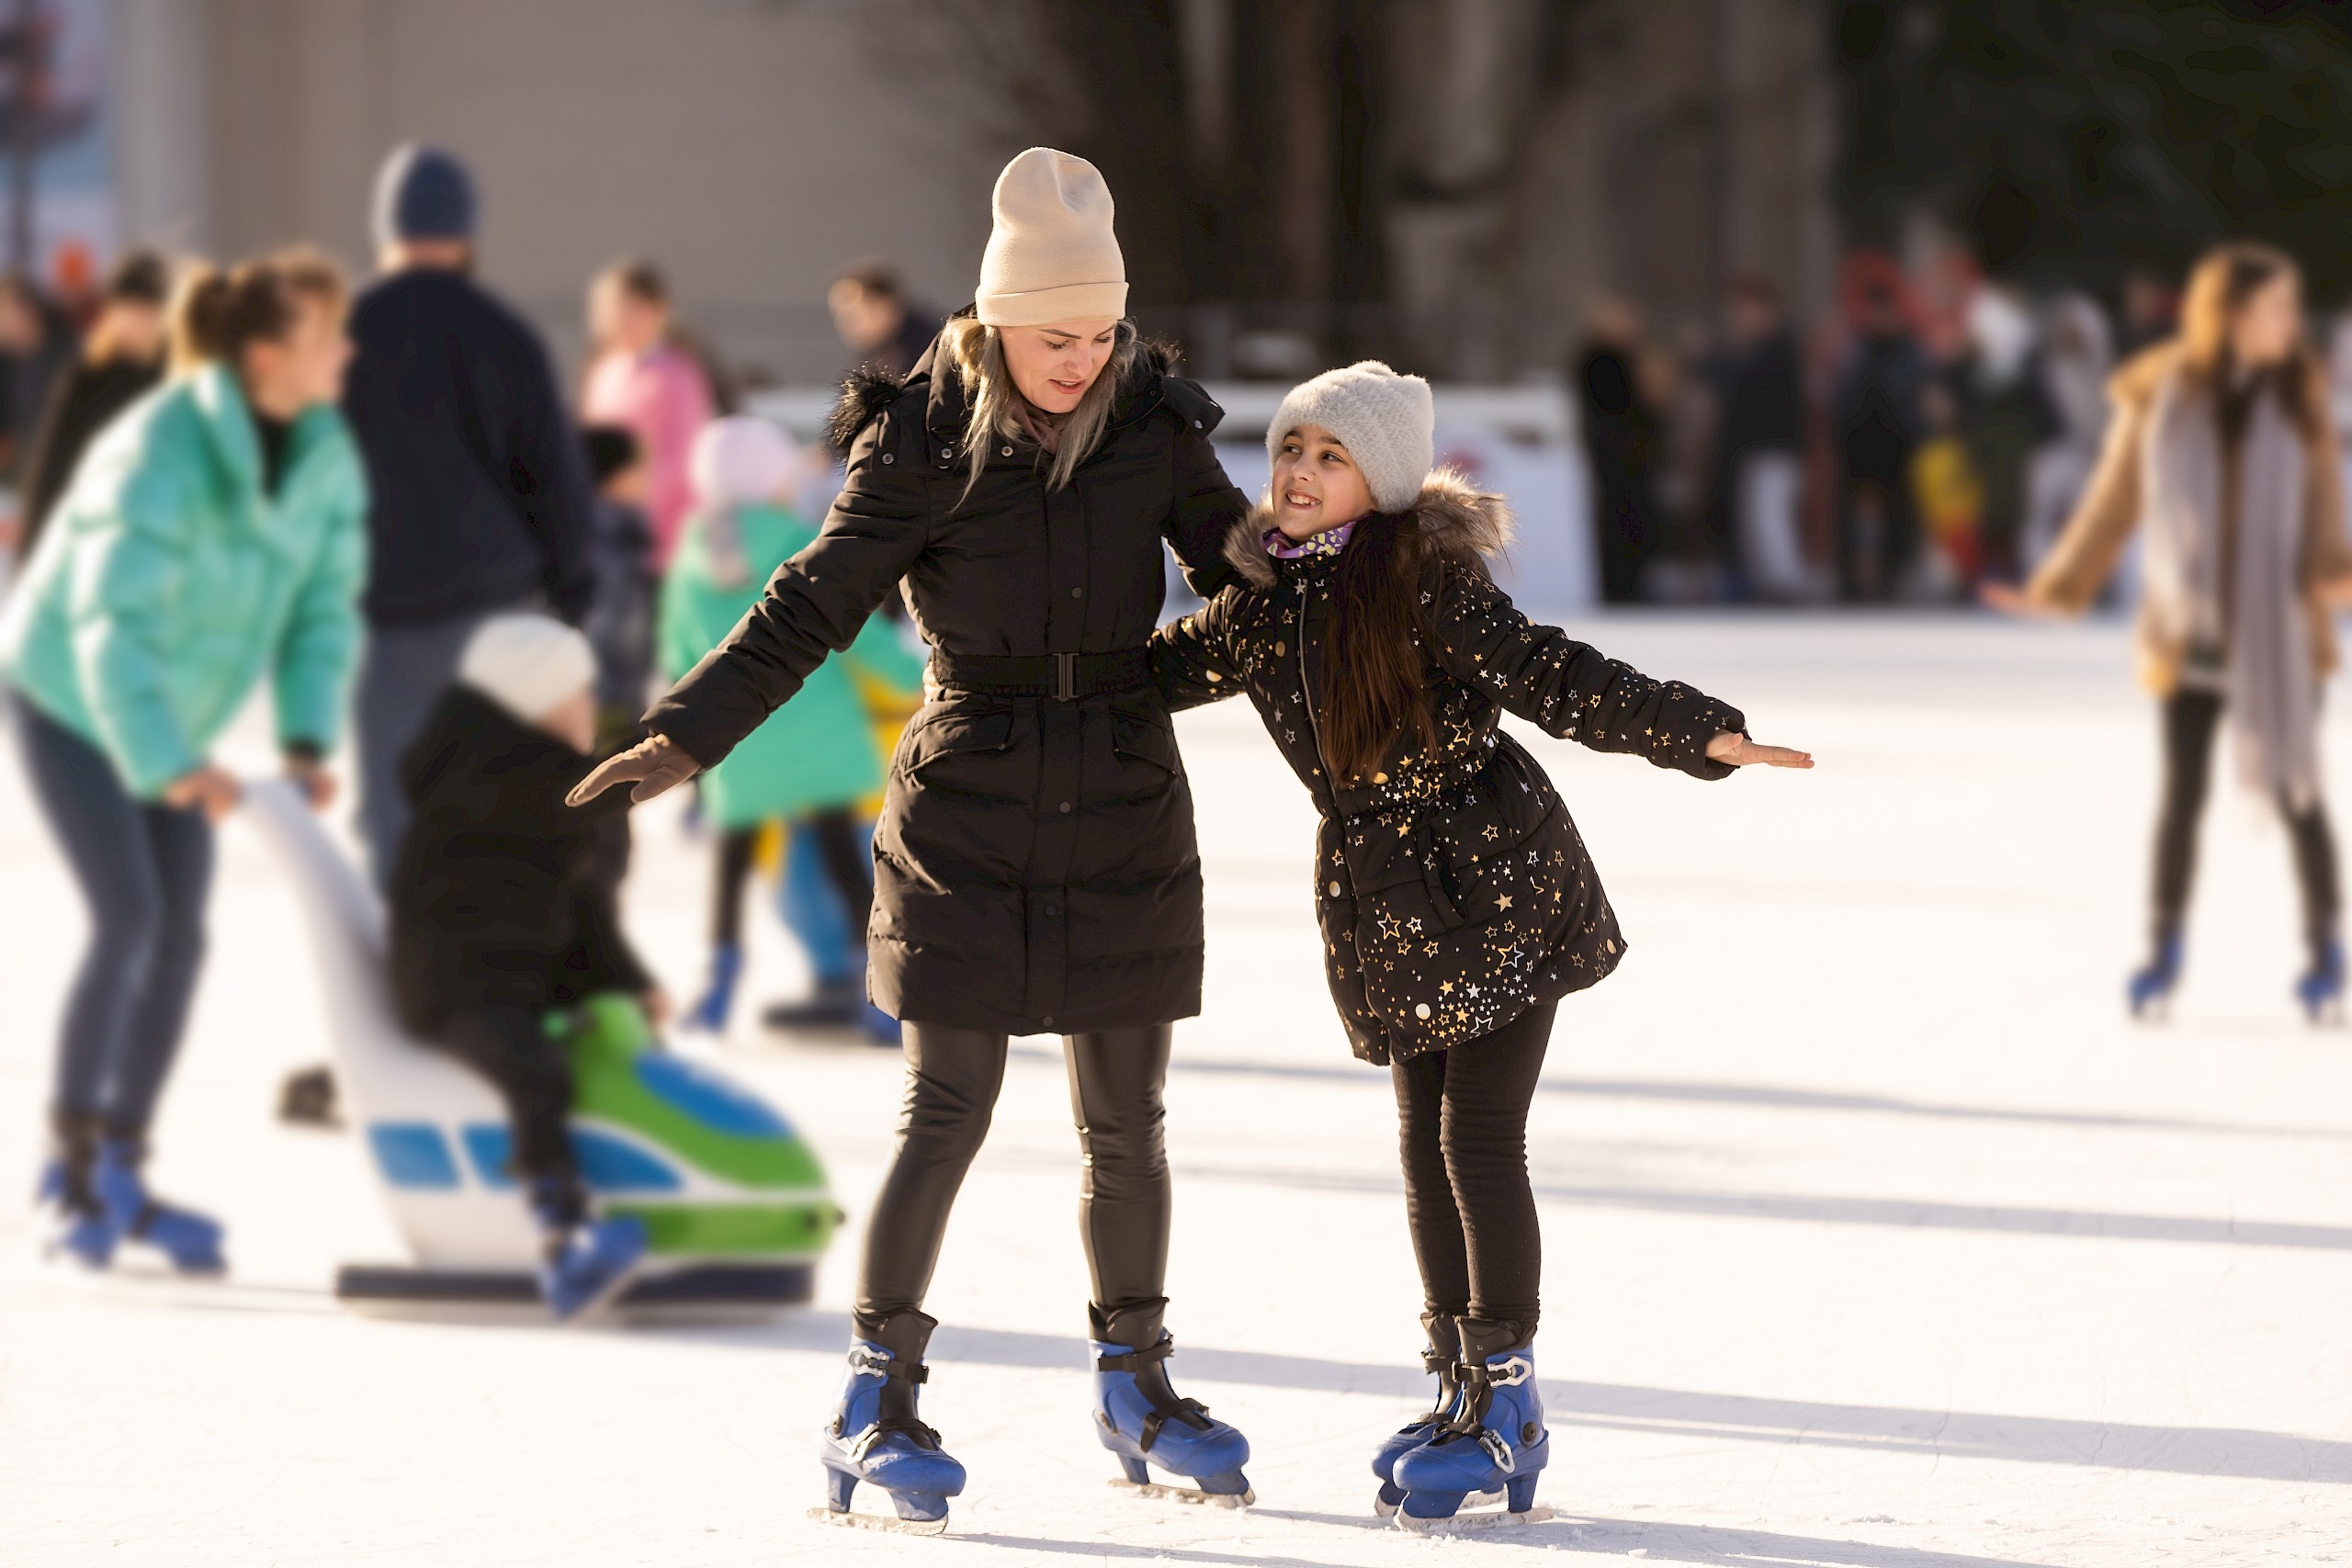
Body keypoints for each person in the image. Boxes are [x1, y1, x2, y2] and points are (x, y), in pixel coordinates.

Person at [571, 147, 1254, 1528]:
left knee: (1127, 1122)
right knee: (946, 1106)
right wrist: (685, 732)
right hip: (968, 803)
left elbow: (1245, 568)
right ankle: (873, 1397)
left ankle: (1138, 1380)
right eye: (1058, 335)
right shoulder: (924, 437)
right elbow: (808, 604)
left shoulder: (1152, 424)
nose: (1085, 358)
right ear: (997, 319)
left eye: (1105, 332)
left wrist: (1329, 587)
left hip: (1122, 796)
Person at [1147, 361, 1811, 1527]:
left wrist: (1698, 733)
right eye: (1290, 449)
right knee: (1421, 1147)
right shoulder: (1260, 601)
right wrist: (1007, 675)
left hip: (1492, 877)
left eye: (1328, 456)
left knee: (1477, 1139)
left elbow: (1554, 675)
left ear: (1383, 479)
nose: (1297, 473)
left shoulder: (1423, 583)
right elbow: (1143, 678)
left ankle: (1509, 1401)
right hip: (1385, 903)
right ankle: (1457, 1387)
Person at [1, 249, 366, 1273]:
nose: (346, 349)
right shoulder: (159, 446)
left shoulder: (325, 447)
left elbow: (321, 606)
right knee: (131, 918)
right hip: (72, 694)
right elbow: (113, 626)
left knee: (181, 939)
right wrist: (166, 759)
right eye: (326, 335)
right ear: (263, 356)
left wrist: (302, 737)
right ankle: (65, 1175)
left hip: (175, 711)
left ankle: (121, 1166)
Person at [1985, 243, 2352, 1021]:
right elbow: (2113, 501)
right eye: (2278, 307)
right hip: (2191, 630)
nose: (2292, 322)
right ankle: (2164, 946)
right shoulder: (2159, 395)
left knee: (2298, 792)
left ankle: (2326, 941)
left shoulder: (2300, 399)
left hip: (2283, 632)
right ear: (2234, 315)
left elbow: (2325, 514)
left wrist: (2335, 571)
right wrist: (2061, 585)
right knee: (2181, 796)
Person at [342, 143, 598, 889]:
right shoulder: (506, 336)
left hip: (383, 614)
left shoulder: (343, 335)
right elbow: (554, 479)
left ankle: (409, 980)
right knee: (499, 808)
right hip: (499, 608)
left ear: (385, 226)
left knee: (397, 813)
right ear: (467, 229)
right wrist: (571, 597)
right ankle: (502, 984)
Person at [389, 615, 659, 1317]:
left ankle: (638, 1196)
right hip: (459, 985)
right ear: (531, 700)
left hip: (515, 970)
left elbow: (580, 905)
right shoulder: (487, 776)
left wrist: (628, 985)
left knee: (606, 1054)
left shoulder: (516, 782)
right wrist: (649, 753)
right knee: (534, 1069)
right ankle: (562, 1236)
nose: (588, 706)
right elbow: (570, 798)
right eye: (578, 692)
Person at [657, 415, 922, 1043]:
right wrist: (918, 680)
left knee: (732, 861)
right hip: (820, 737)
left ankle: (719, 980)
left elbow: (677, 656)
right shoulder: (802, 539)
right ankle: (875, 993)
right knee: (847, 864)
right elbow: (855, 631)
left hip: (738, 742)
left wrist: (685, 733)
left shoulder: (693, 555)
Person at [14, 249, 172, 563]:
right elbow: (52, 465)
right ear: (111, 313)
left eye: (147, 310)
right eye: (129, 309)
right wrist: (33, 546)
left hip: (165, 527)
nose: (137, 321)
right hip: (97, 531)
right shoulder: (88, 379)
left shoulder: (178, 376)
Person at [581, 258, 714, 570]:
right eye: (611, 309)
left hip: (662, 540)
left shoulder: (678, 375)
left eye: (630, 308)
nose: (619, 319)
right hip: (604, 533)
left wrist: (632, 503)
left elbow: (683, 455)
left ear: (658, 310)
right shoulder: (605, 371)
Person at [1830, 254, 1930, 601]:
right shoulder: (1855, 345)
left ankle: (1893, 576)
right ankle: (1850, 583)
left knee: (1899, 515)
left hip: (1897, 441)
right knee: (1849, 517)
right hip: (1857, 442)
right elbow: (1841, 392)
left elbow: (1920, 393)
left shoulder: (1909, 347)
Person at [1709, 274, 1808, 601]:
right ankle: (1769, 584)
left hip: (1776, 448)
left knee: (1770, 517)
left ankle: (1785, 584)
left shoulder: (1779, 347)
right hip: (1757, 451)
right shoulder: (1765, 348)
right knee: (1759, 519)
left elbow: (1745, 379)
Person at [1575, 297, 1657, 604]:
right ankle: (1621, 587)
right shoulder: (1601, 359)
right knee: (1618, 519)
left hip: (1628, 455)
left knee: (1630, 520)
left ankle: (1629, 584)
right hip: (1614, 454)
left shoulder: (1626, 356)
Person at [579, 423, 657, 746]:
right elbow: (611, 628)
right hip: (606, 703)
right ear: (614, 473)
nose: (645, 477)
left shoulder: (608, 531)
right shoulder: (610, 539)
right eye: (637, 467)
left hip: (602, 699)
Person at [827, 259, 943, 383]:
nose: (845, 322)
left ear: (883, 305)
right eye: (840, 313)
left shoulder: (926, 350)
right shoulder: (878, 352)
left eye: (854, 312)